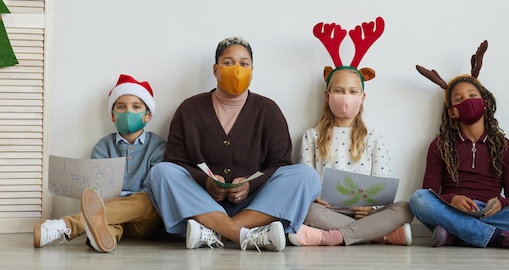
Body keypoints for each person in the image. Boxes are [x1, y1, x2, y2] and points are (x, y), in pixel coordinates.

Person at [145, 37, 321, 252]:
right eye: (228, 63)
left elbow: (280, 165)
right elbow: (176, 162)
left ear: (252, 70)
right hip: (201, 204)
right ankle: (246, 235)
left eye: (244, 64)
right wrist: (207, 183)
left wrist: (250, 185)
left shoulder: (268, 110)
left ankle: (215, 232)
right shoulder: (189, 109)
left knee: (306, 175)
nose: (236, 69)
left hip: (254, 205)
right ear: (215, 69)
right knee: (160, 172)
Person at [409, 40, 509, 250]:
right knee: (418, 200)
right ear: (452, 112)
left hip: (491, 211)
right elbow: (428, 192)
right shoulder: (439, 145)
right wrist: (452, 199)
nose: (467, 101)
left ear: (485, 103)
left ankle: (455, 235)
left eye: (472, 96)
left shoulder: (505, 146)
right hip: (452, 210)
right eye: (459, 98)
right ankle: (497, 237)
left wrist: (500, 203)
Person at [288, 19, 413, 247]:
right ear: (328, 95)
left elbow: (382, 183)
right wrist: (315, 197)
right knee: (303, 209)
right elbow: (304, 179)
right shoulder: (311, 136)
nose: (346, 97)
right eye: (339, 91)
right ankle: (379, 235)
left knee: (406, 208)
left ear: (362, 97)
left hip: (364, 213)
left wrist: (371, 207)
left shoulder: (373, 137)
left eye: (353, 91)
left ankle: (331, 237)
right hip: (326, 210)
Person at [34, 74, 167, 253]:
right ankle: (101, 240)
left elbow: (155, 189)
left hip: (143, 222)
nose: (128, 112)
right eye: (121, 107)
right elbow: (97, 190)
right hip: (110, 214)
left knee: (147, 201)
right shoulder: (103, 147)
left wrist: (122, 201)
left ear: (147, 116)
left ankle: (67, 226)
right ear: (113, 116)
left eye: (136, 107)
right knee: (103, 219)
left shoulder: (157, 146)